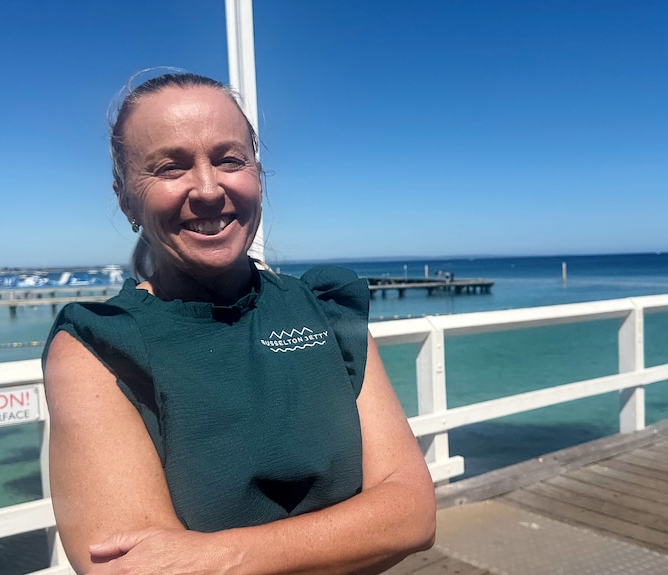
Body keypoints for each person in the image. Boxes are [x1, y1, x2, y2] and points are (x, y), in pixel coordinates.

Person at [41, 72, 436, 575]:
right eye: (170, 167)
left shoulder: (324, 309)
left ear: (258, 175)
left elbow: (413, 512)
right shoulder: (100, 341)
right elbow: (130, 567)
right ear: (125, 198)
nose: (208, 189)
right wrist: (350, 534)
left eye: (229, 160)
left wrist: (222, 557)